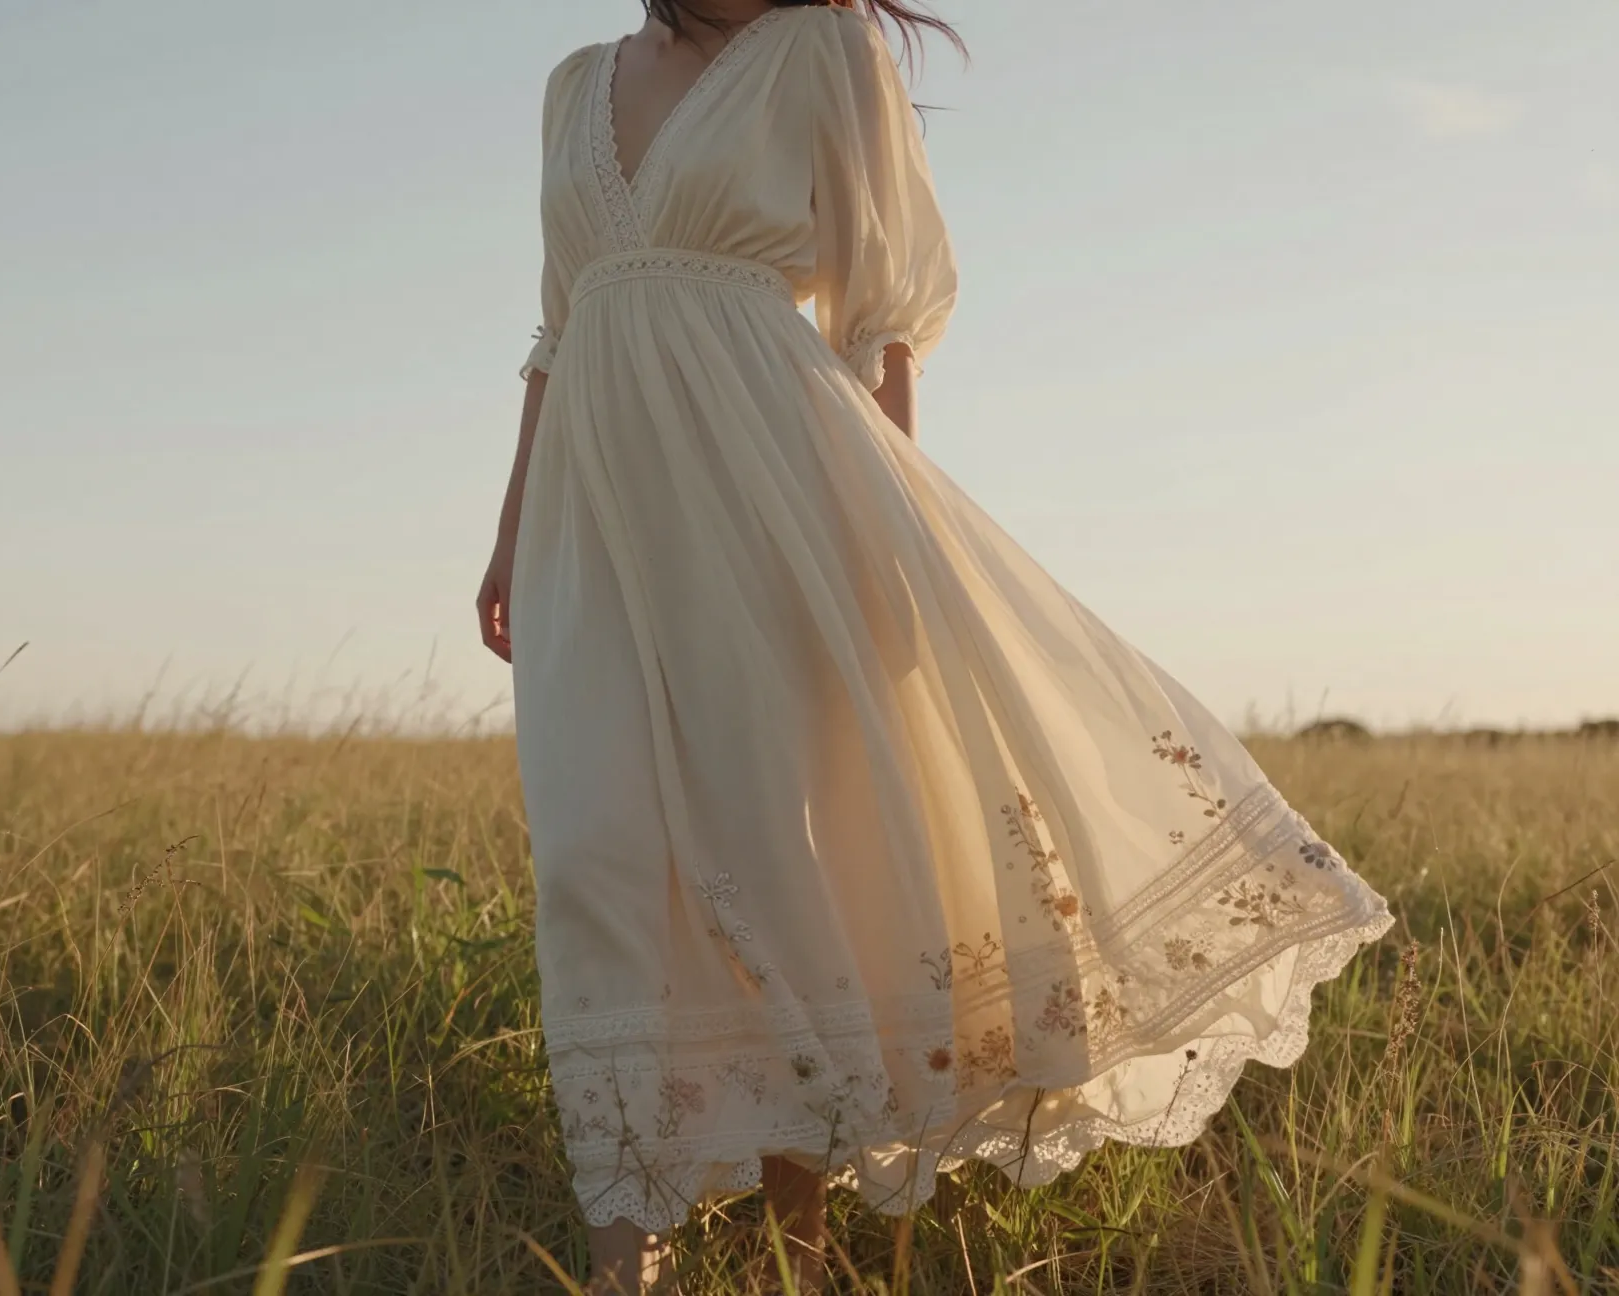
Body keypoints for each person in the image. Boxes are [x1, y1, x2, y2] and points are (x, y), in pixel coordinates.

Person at [476, 2, 1393, 1291]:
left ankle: (794, 1244)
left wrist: (892, 532)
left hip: (773, 497)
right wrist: (514, 526)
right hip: (595, 507)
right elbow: (559, 326)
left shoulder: (824, 54)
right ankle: (621, 1248)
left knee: (765, 851)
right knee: (594, 852)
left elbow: (878, 315)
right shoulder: (575, 84)